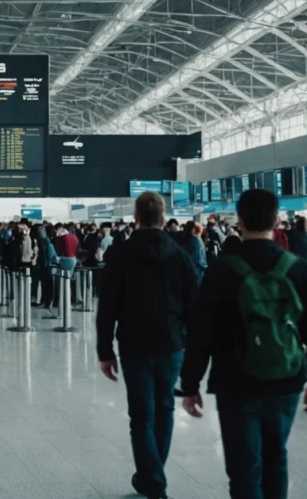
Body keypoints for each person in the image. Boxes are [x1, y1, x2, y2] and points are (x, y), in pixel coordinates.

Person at [179, 189, 307, 499]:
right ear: (277, 221)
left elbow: (200, 331)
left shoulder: (221, 270)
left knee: (243, 465)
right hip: (286, 377)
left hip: (235, 381)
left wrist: (191, 382)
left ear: (240, 220)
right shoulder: (298, 268)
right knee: (276, 457)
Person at [97, 192, 199, 499]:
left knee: (141, 415)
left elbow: (108, 307)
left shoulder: (119, 254)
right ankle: (153, 476)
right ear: (164, 217)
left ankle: (152, 479)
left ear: (136, 218)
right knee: (164, 409)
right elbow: (194, 307)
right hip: (171, 345)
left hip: (133, 345)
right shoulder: (180, 255)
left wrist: (105, 351)